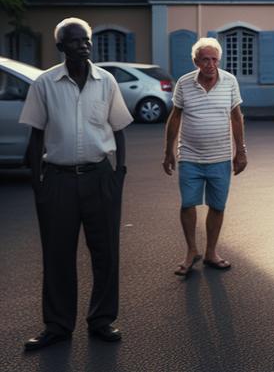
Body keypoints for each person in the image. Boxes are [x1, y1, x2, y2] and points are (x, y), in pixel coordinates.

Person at [19, 18, 134, 350]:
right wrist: (38, 184)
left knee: (106, 253)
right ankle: (57, 325)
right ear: (60, 47)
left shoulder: (106, 81)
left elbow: (118, 129)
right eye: (75, 41)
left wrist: (119, 173)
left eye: (86, 40)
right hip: (58, 180)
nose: (83, 46)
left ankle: (102, 320)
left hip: (100, 177)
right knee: (57, 255)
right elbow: (36, 135)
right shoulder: (44, 84)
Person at [162, 37, 247, 276]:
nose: (210, 64)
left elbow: (236, 117)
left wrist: (240, 151)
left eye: (214, 59)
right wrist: (168, 151)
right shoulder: (184, 83)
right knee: (188, 204)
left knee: (217, 206)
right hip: (189, 156)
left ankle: (211, 252)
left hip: (220, 157)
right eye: (205, 60)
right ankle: (191, 250)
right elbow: (175, 117)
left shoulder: (229, 81)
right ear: (196, 61)